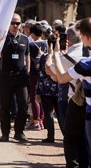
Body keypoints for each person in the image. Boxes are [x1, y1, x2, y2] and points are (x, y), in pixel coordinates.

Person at [48, 23, 88, 167]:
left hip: (77, 101)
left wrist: (55, 54)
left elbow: (57, 76)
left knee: (71, 136)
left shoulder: (81, 61)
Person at [0, 13, 30, 143]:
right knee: (5, 106)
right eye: (13, 23)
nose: (15, 26)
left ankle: (19, 132)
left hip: (21, 77)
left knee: (24, 105)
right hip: (5, 77)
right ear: (8, 24)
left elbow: (27, 56)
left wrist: (28, 72)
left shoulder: (25, 39)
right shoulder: (2, 39)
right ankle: (5, 134)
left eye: (18, 23)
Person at [26, 23, 47, 131]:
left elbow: (28, 59)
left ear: (32, 33)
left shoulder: (31, 45)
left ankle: (36, 121)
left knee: (34, 98)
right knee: (41, 97)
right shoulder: (46, 44)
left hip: (34, 74)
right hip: (44, 74)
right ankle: (42, 121)